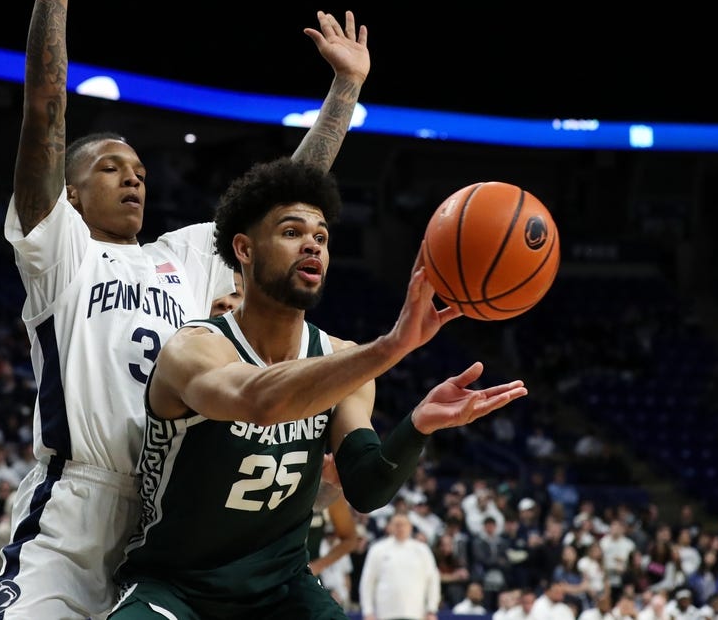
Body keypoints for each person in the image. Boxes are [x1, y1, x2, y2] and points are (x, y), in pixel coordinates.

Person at [0, 0, 371, 620]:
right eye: (109, 168)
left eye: (137, 168)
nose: (131, 179)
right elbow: (44, 113)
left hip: (175, 513)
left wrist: (343, 95)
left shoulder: (185, 253)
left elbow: (282, 202)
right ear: (69, 194)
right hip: (76, 505)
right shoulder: (60, 247)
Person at [109, 158, 527, 618]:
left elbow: (366, 488)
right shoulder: (194, 349)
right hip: (175, 586)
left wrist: (418, 426)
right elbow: (260, 400)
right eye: (291, 233)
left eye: (322, 237)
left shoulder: (340, 358)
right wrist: (390, 347)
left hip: (281, 589)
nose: (312, 244)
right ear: (244, 250)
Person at [359, 512, 441, 620]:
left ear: (410, 527)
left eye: (404, 524)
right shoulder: (377, 549)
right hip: (385, 614)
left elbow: (433, 581)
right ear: (390, 527)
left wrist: (431, 609)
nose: (400, 528)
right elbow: (367, 582)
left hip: (416, 613)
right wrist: (368, 611)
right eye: (397, 524)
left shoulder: (422, 550)